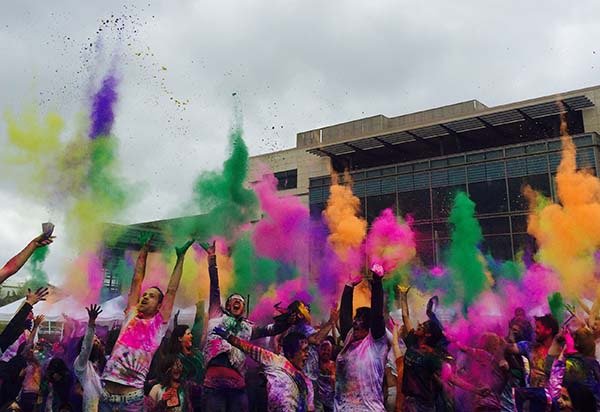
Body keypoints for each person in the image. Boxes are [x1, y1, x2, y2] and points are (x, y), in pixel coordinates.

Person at [100, 239, 193, 411]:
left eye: (151, 296)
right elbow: (137, 280)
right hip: (105, 396)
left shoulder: (158, 324)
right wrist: (143, 250)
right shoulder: (132, 314)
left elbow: (171, 290)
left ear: (159, 306)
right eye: (145, 294)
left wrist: (180, 258)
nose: (144, 297)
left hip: (131, 400)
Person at [201, 241, 291, 412]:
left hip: (237, 386)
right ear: (227, 306)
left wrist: (288, 320)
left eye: (240, 302)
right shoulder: (216, 316)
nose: (237, 302)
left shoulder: (247, 328)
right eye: (233, 300)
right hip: (214, 385)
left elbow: (271, 329)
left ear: (243, 309)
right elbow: (215, 288)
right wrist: (212, 258)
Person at [213, 327, 313, 411]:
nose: (307, 354)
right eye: (304, 350)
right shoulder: (274, 360)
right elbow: (247, 347)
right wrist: (227, 336)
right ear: (291, 352)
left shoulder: (304, 381)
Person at [334, 264, 387, 411]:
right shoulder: (349, 340)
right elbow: (344, 318)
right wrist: (349, 286)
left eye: (361, 320)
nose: (356, 322)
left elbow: (377, 316)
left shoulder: (375, 344)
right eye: (356, 319)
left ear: (369, 326)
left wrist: (377, 282)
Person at [74, 304, 105, 412]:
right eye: (93, 341)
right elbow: (86, 347)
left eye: (97, 341)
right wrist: (91, 323)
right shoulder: (81, 364)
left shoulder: (99, 364)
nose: (96, 342)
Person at [315, 340, 335, 412]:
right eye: (324, 350)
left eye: (328, 350)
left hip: (331, 401)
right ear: (319, 350)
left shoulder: (334, 365)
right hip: (318, 401)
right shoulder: (315, 364)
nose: (326, 352)